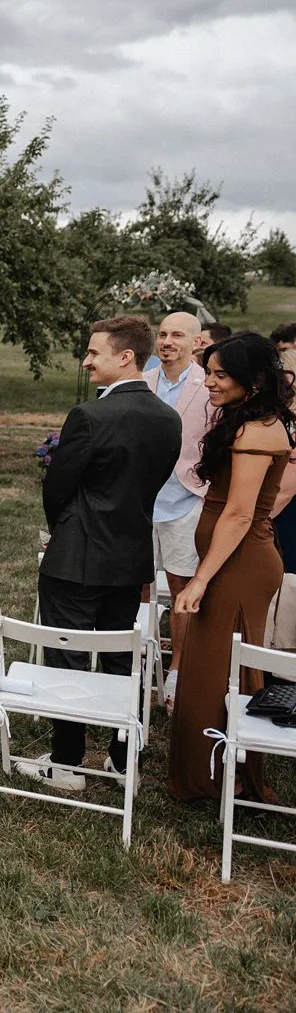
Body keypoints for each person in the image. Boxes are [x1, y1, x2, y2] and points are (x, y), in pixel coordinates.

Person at [16, 315, 180, 791]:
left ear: (125, 356)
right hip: (130, 558)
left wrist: (65, 533)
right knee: (119, 659)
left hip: (76, 559)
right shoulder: (168, 419)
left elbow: (57, 488)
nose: (86, 361)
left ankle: (66, 765)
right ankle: (122, 761)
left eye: (93, 352)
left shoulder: (90, 416)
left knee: (67, 659)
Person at [169, 333, 294, 803]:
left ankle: (229, 775)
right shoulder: (245, 421)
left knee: (223, 672)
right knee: (214, 666)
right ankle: (217, 771)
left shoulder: (258, 431)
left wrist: (199, 580)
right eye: (209, 372)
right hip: (229, 560)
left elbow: (240, 514)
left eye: (221, 374)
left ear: (254, 379)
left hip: (241, 566)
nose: (210, 382)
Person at [142, 312, 211, 709]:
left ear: (196, 342)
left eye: (177, 335)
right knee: (137, 585)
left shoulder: (209, 384)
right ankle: (139, 662)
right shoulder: (143, 381)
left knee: (182, 590)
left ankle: (177, 672)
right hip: (142, 501)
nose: (167, 341)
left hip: (185, 501)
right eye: (163, 334)